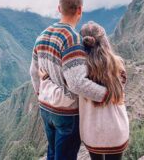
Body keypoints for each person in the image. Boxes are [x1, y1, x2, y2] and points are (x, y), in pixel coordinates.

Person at [30, 0, 110, 160]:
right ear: (80, 10)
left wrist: (42, 92)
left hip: (45, 107)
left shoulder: (42, 35)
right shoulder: (72, 39)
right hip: (66, 113)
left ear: (59, 8)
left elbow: (33, 72)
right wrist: (106, 94)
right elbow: (77, 83)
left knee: (52, 153)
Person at [38, 21, 129, 160]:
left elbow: (69, 86)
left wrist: (46, 77)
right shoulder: (118, 65)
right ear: (104, 41)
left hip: (92, 131)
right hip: (116, 129)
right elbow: (120, 91)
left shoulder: (77, 70)